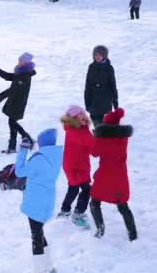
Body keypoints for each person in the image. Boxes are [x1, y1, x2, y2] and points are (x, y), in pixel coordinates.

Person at [15, 129, 63, 273]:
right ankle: (48, 266)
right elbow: (40, 159)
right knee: (39, 232)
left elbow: (19, 171)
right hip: (47, 200)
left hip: (35, 202)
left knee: (36, 235)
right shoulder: (55, 156)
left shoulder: (38, 160)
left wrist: (23, 150)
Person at [89, 108, 137, 241]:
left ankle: (100, 229)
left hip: (104, 175)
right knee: (123, 205)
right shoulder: (123, 138)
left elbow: (94, 153)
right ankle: (132, 234)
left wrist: (95, 137)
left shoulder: (102, 139)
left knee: (94, 202)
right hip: (120, 176)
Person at [0, 52, 37, 154]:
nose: (18, 62)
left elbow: (13, 90)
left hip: (18, 102)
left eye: (21, 61)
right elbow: (9, 77)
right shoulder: (21, 72)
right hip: (15, 101)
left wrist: (0, 97)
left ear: (26, 63)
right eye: (19, 60)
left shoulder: (25, 75)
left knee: (12, 122)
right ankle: (14, 145)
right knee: (12, 122)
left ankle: (26, 139)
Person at [58, 105, 94, 227]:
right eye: (80, 115)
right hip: (76, 167)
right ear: (73, 118)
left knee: (73, 188)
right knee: (87, 189)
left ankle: (65, 210)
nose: (84, 116)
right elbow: (95, 151)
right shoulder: (80, 133)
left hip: (74, 164)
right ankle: (78, 214)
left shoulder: (72, 128)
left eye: (84, 113)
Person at [84, 45, 118, 127]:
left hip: (105, 102)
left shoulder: (109, 68)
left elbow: (113, 86)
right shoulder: (91, 67)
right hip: (94, 103)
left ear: (104, 55)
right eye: (95, 55)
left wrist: (115, 103)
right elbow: (87, 85)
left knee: (105, 127)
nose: (97, 57)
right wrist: (87, 103)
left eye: (100, 55)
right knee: (97, 127)